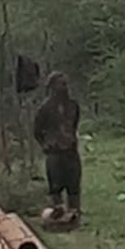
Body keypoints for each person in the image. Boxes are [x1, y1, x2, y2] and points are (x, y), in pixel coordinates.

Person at [33, 71, 82, 225]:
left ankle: (74, 214)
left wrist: (70, 139)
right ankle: (58, 214)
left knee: (74, 184)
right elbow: (37, 130)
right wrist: (46, 144)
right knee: (55, 186)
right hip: (54, 153)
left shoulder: (73, 106)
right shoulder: (45, 108)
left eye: (65, 84)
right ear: (52, 86)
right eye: (61, 84)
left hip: (71, 151)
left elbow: (74, 125)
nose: (64, 87)